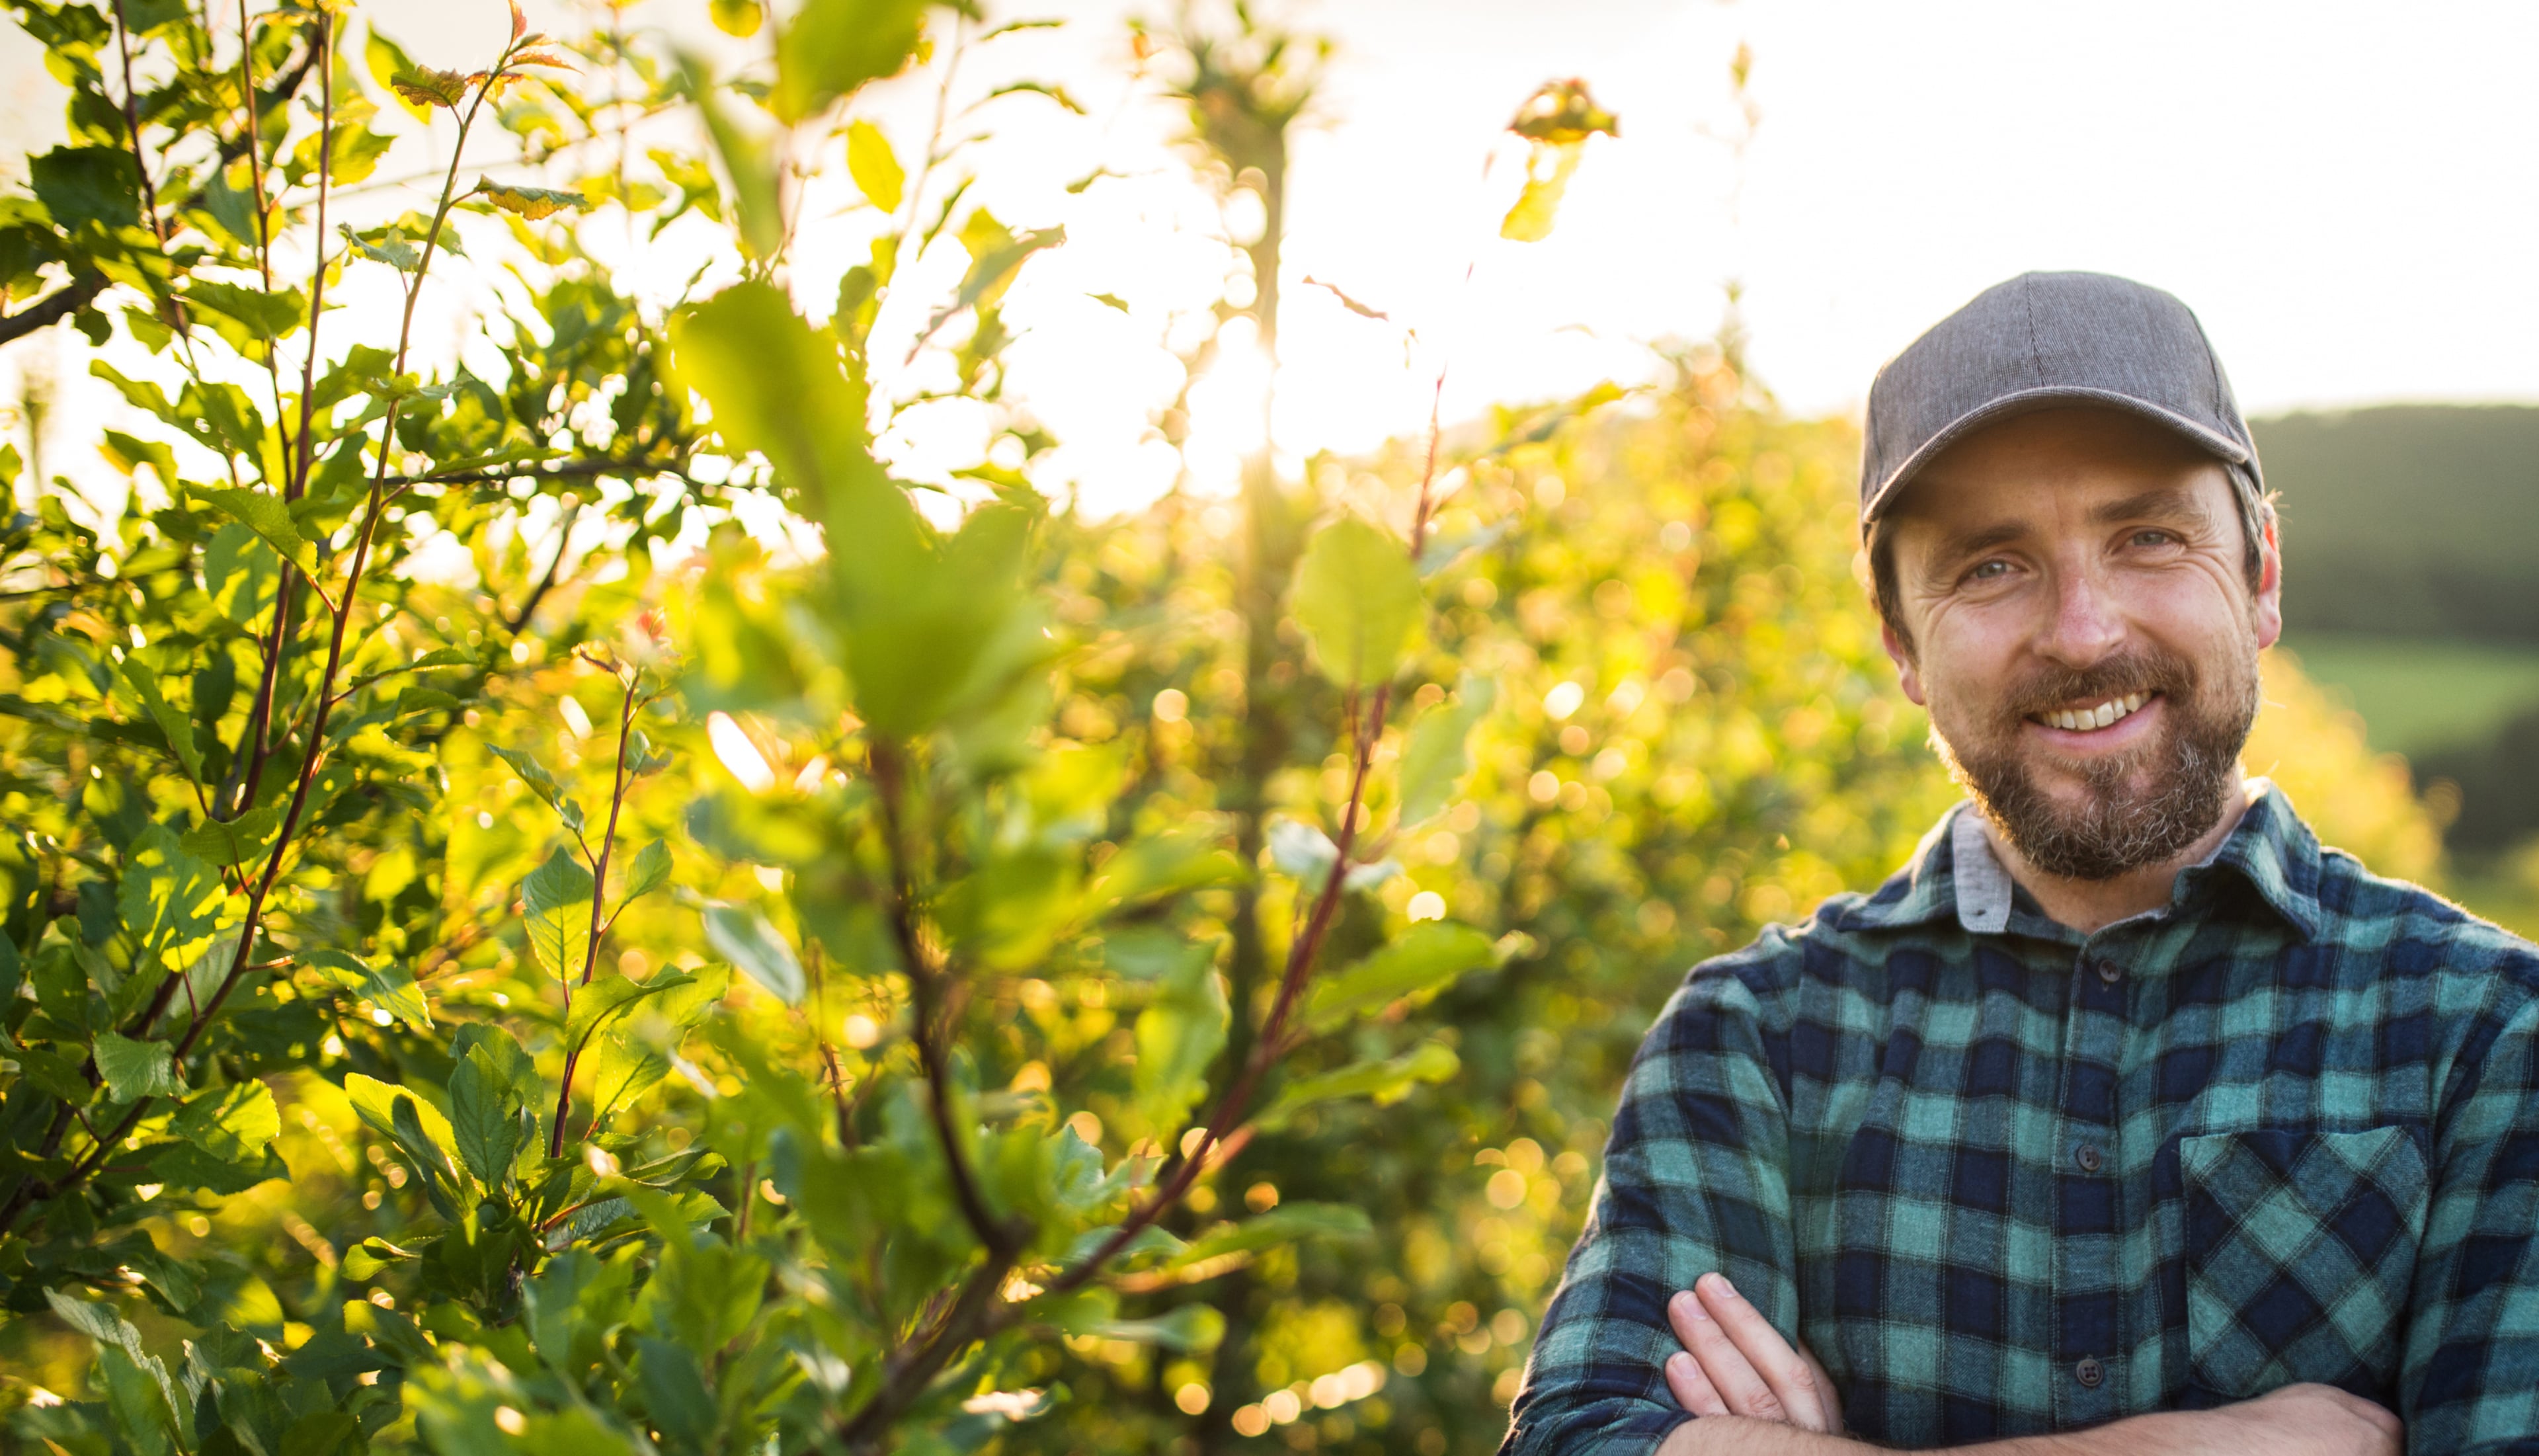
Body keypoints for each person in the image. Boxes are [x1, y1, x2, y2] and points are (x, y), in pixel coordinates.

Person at [1502, 272, 2539, 1456]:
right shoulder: (1755, 1043)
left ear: (2261, 576)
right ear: (1900, 640)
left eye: (2148, 536)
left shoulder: (2487, 1034)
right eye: (1992, 564)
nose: (2085, 632)